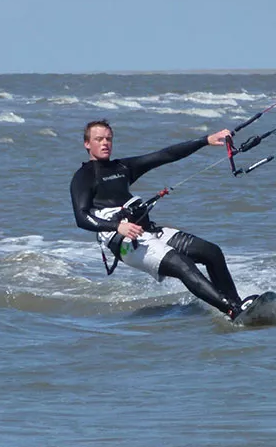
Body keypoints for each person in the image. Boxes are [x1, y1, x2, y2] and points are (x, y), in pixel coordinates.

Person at [70, 118, 257, 320]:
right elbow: (81, 218)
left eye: (108, 139)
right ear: (87, 144)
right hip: (126, 244)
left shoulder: (123, 167)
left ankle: (237, 305)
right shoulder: (83, 177)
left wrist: (206, 140)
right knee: (182, 265)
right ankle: (232, 310)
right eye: (98, 139)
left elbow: (165, 155)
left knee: (211, 252)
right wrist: (117, 227)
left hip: (148, 231)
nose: (105, 143)